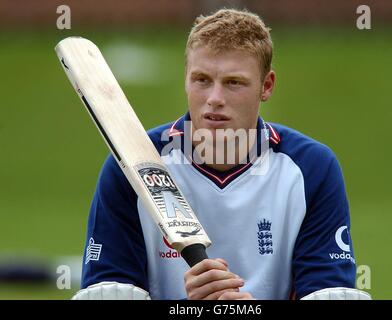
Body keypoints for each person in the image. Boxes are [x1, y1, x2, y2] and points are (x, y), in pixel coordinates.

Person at [72, 8, 370, 300]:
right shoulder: (133, 164)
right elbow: (109, 294)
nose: (214, 99)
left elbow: (328, 295)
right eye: (202, 80)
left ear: (266, 86)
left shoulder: (310, 169)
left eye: (233, 83)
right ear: (186, 78)